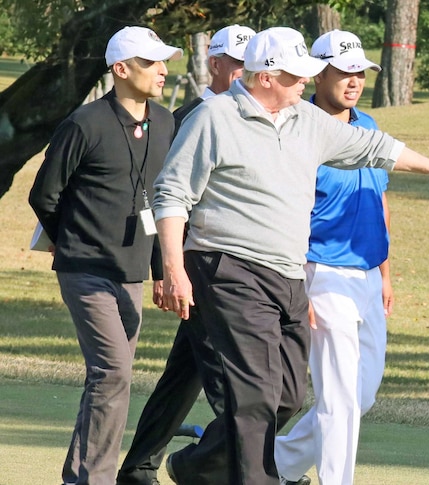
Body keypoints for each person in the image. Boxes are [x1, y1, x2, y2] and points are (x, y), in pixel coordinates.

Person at [152, 27, 429, 485]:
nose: (305, 82)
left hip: (286, 276)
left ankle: (198, 465)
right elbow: (171, 193)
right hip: (228, 267)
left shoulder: (304, 118)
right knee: (257, 394)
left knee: (285, 397)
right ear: (265, 77)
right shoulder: (214, 117)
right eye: (296, 75)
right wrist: (173, 268)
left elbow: (374, 148)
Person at [28, 26, 182, 485]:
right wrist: (70, 240)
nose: (162, 70)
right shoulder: (84, 123)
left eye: (164, 62)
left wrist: (160, 272)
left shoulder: (167, 122)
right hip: (85, 270)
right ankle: (93, 479)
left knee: (108, 378)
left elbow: (161, 201)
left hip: (132, 271)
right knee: (113, 372)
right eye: (152, 62)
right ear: (121, 69)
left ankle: (80, 474)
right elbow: (44, 195)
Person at [115, 24, 255, 485]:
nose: (243, 71)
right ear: (214, 64)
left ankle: (140, 466)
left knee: (187, 372)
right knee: (227, 378)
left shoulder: (259, 115)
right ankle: (244, 467)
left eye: (251, 63)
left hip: (238, 265)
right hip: (201, 265)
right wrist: (164, 267)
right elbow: (158, 195)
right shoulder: (187, 117)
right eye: (236, 62)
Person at [273, 29, 390, 485]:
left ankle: (275, 467)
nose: (353, 80)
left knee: (361, 395)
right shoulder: (297, 127)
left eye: (359, 71)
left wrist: (386, 274)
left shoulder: (369, 128)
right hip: (321, 270)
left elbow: (378, 203)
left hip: (367, 275)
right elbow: (287, 212)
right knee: (339, 398)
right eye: (343, 71)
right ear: (318, 73)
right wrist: (299, 282)